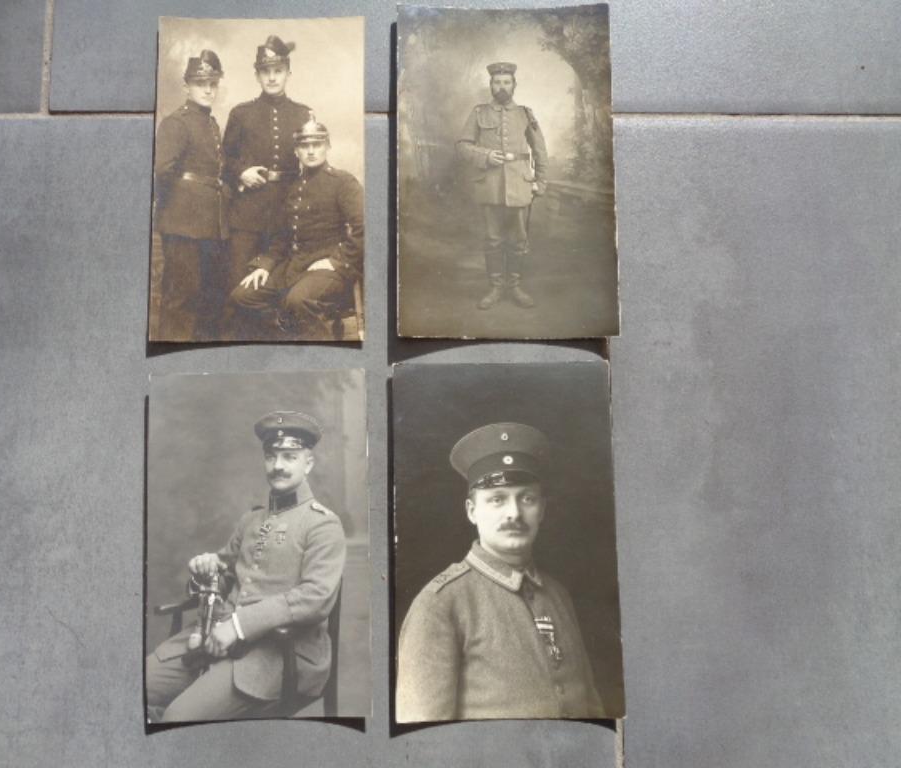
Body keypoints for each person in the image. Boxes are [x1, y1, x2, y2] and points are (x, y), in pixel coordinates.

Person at [395, 422, 603, 723]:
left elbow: (593, 709)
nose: (514, 513)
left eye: (527, 498)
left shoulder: (558, 594)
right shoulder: (440, 604)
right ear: (471, 511)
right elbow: (424, 741)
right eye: (497, 499)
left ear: (542, 510)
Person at [146, 411, 346, 722]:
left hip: (278, 653)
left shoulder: (323, 525)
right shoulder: (251, 520)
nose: (278, 466)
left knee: (177, 719)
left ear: (308, 464)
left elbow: (316, 598)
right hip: (213, 638)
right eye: (271, 456)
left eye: (289, 457)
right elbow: (224, 577)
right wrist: (206, 570)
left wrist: (239, 626)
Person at [228, 113, 363, 340]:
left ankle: (321, 354)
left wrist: (336, 260)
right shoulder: (292, 187)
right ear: (296, 151)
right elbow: (282, 235)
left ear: (327, 146)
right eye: (304, 146)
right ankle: (288, 337)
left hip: (329, 269)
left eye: (317, 145)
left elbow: (364, 228)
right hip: (294, 266)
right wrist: (266, 265)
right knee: (242, 296)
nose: (310, 151)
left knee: (297, 301)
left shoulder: (342, 182)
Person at [220, 35, 313, 312]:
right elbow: (222, 159)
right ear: (257, 75)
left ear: (288, 73)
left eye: (278, 71)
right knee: (239, 287)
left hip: (286, 215)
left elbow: (312, 162)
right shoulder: (241, 113)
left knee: (279, 286)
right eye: (266, 71)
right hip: (246, 215)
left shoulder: (302, 114)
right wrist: (241, 173)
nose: (272, 78)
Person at [457, 62, 548, 310]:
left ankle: (515, 286)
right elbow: (463, 146)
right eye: (497, 82)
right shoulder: (478, 113)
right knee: (493, 240)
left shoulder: (525, 114)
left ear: (514, 85)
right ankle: (495, 288)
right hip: (490, 186)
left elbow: (540, 151)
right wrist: (485, 156)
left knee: (518, 240)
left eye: (506, 82)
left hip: (520, 185)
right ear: (491, 85)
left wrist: (541, 181)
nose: (502, 87)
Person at [152, 49, 228, 340]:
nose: (208, 89)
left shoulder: (211, 124)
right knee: (181, 298)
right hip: (183, 226)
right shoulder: (176, 123)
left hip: (209, 227)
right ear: (187, 86)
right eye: (200, 83)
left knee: (208, 299)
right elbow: (162, 172)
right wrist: (173, 219)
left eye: (213, 83)